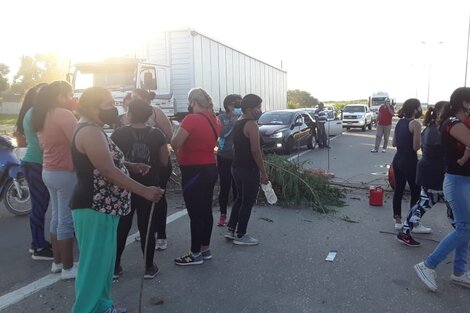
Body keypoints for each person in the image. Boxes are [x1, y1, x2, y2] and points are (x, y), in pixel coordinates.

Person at [70, 87, 163, 313]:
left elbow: (104, 162)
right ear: (93, 107)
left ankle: (102, 306)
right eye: (108, 103)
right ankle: (87, 309)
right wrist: (144, 191)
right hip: (94, 206)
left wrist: (130, 165)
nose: (115, 108)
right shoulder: (89, 132)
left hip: (104, 206)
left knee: (103, 265)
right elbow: (108, 171)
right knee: (94, 266)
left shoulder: (94, 129)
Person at [414, 87, 470, 291]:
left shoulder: (460, 123)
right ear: (465, 103)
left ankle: (459, 272)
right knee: (465, 228)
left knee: (466, 228)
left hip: (465, 180)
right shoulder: (452, 123)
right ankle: (427, 265)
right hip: (457, 182)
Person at [112, 99, 169, 280]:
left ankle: (115, 266)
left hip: (124, 184)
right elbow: (164, 161)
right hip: (149, 184)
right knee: (147, 225)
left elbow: (112, 159)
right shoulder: (157, 134)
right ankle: (149, 266)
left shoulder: (118, 134)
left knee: (122, 226)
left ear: (129, 114)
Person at [31, 81, 78, 279]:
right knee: (66, 221)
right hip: (65, 172)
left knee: (57, 218)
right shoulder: (63, 114)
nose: (70, 98)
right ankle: (68, 268)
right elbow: (78, 141)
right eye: (68, 94)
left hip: (48, 170)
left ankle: (57, 263)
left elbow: (42, 146)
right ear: (59, 95)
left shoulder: (42, 114)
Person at [171, 87, 220, 265]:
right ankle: (205, 249)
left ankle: (195, 253)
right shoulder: (215, 119)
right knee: (206, 211)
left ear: (193, 102)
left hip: (193, 170)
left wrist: (176, 131)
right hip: (209, 167)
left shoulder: (191, 119)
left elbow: (175, 142)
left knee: (195, 213)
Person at [396, 101, 449, 246]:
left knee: (421, 201)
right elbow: (418, 147)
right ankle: (406, 230)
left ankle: (403, 228)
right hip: (434, 173)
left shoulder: (428, 128)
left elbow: (395, 143)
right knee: (423, 201)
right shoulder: (435, 130)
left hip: (423, 168)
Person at [127, 88, 172, 250]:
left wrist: (152, 140)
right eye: (131, 97)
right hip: (135, 167)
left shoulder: (156, 112)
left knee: (158, 198)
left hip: (157, 164)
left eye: (135, 97)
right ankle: (146, 231)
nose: (132, 99)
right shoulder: (129, 116)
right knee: (138, 201)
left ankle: (161, 234)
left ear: (145, 99)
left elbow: (169, 134)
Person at [225, 94, 269, 245]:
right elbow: (255, 151)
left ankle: (231, 228)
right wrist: (263, 172)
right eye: (258, 107)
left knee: (240, 199)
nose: (260, 110)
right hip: (249, 169)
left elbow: (234, 146)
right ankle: (241, 234)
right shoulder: (251, 125)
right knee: (248, 201)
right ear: (250, 109)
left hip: (236, 167)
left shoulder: (238, 122)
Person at [16, 83, 52, 259]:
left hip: (33, 162)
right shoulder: (36, 114)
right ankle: (38, 246)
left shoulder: (31, 112)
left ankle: (36, 243)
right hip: (36, 163)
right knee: (39, 205)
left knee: (40, 205)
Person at [391, 98, 422, 230]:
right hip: (410, 161)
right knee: (416, 192)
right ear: (415, 109)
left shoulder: (400, 122)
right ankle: (413, 222)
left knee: (399, 190)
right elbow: (416, 147)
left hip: (397, 160)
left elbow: (394, 143)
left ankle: (397, 220)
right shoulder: (415, 124)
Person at [216, 94, 242, 226]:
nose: (237, 107)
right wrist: (233, 121)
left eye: (239, 104)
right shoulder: (221, 118)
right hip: (224, 156)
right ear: (227, 105)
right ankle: (222, 214)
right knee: (225, 186)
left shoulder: (243, 117)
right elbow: (221, 134)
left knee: (237, 187)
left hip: (238, 157)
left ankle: (236, 215)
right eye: (235, 104)